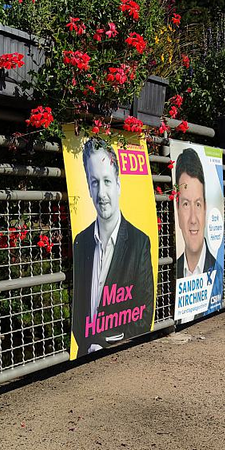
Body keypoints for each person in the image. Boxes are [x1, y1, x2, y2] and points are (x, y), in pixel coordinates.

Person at [71, 137, 154, 358]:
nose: (101, 194)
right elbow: (78, 313)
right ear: (88, 187)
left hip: (120, 359)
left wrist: (105, 343)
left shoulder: (139, 242)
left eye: (107, 181)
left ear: (118, 185)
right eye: (95, 182)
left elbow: (145, 317)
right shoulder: (80, 242)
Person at [174, 147, 222, 321]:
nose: (193, 219)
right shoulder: (171, 272)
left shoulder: (218, 273)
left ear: (205, 209)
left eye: (198, 204)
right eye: (186, 204)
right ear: (177, 211)